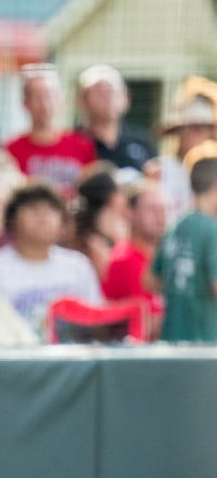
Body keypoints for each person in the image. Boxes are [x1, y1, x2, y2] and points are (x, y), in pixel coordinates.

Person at [0, 184, 102, 338]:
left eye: (51, 209)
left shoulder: (77, 266)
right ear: (12, 220)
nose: (43, 216)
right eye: (33, 208)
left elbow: (96, 319)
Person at [149, 143, 217, 342]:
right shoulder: (212, 229)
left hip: (172, 338)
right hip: (204, 343)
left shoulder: (175, 226)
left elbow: (150, 280)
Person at [4, 64, 95, 199]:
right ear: (25, 103)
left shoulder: (83, 146)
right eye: (37, 97)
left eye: (50, 95)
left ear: (61, 100)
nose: (45, 104)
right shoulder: (11, 151)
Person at [101, 182, 166, 337]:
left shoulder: (161, 257)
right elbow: (148, 326)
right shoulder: (124, 260)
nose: (159, 217)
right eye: (151, 209)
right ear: (130, 213)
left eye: (162, 210)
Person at [157, 76, 217, 224]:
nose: (192, 134)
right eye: (188, 127)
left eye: (200, 128)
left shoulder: (213, 170)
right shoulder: (160, 169)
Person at [76, 65, 156, 177]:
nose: (107, 98)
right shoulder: (71, 143)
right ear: (82, 100)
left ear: (126, 99)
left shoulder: (142, 143)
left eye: (111, 91)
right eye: (98, 92)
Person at [69, 167, 129, 279]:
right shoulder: (91, 244)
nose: (124, 197)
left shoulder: (120, 228)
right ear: (111, 198)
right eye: (120, 191)